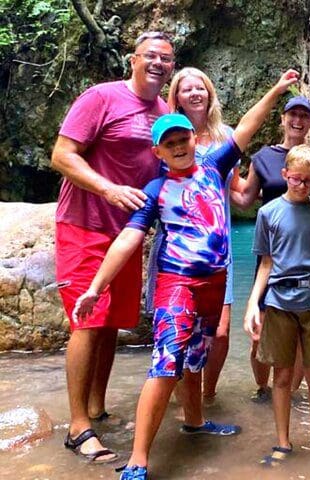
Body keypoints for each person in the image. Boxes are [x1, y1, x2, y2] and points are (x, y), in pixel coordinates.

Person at [73, 70, 300, 480]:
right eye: (169, 143)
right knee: (165, 363)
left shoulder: (214, 167)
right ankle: (140, 459)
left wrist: (277, 91)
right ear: (158, 152)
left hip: (213, 284)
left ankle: (194, 421)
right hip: (177, 285)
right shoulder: (156, 189)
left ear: (195, 139)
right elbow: (128, 239)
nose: (179, 146)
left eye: (183, 139)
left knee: (195, 357)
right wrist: (95, 287)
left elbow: (246, 126)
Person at [50, 31, 174, 463]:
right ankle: (77, 427)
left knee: (109, 324)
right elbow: (62, 155)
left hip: (127, 235)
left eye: (167, 59)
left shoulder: (164, 111)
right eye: (151, 56)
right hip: (84, 224)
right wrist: (108, 189)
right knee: (87, 319)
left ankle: (97, 408)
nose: (159, 63)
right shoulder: (100, 97)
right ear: (133, 59)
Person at [243, 144, 310, 465]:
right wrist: (253, 305)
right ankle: (283, 442)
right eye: (296, 179)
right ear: (284, 174)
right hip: (279, 301)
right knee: (282, 375)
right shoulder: (267, 213)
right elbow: (266, 263)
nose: (301, 186)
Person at [232, 95, 310, 402]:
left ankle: (289, 393)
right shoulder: (264, 157)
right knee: (258, 332)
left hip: (304, 259)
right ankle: (263, 389)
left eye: (304, 115)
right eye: (292, 114)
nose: (297, 120)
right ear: (283, 119)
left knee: (301, 340)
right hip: (272, 258)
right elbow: (246, 198)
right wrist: (218, 178)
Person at [145, 67, 235, 403]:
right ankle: (179, 401)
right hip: (180, 250)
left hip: (218, 249)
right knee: (176, 330)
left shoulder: (226, 136)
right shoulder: (165, 138)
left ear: (210, 93)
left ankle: (205, 399)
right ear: (176, 98)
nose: (195, 93)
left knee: (218, 333)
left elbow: (237, 193)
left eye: (201, 87)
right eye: (187, 89)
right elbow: (158, 189)